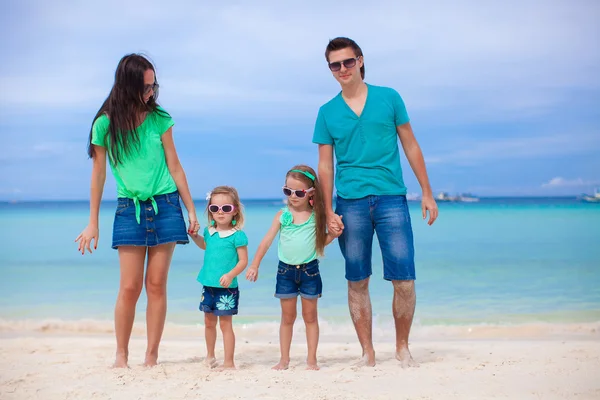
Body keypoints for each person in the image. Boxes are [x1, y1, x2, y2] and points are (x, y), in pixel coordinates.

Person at [313, 37, 439, 367]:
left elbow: (410, 145)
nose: (342, 69)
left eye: (348, 62)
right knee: (357, 280)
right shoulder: (327, 112)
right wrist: (327, 211)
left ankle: (402, 346)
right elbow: (325, 165)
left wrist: (426, 191)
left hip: (391, 198)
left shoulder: (389, 98)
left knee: (405, 279)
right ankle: (367, 352)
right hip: (349, 202)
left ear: (360, 60)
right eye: (335, 65)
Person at [74, 54, 199, 368]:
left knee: (156, 285)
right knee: (129, 287)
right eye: (145, 85)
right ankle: (121, 355)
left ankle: (151, 356)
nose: (151, 91)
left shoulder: (160, 119)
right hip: (129, 209)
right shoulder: (105, 124)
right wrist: (93, 223)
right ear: (127, 85)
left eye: (154, 84)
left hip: (167, 205)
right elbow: (98, 175)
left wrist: (191, 211)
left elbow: (175, 166)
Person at [246, 165, 341, 370]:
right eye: (287, 191)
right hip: (285, 272)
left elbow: (320, 241)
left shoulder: (317, 216)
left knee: (310, 317)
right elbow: (266, 242)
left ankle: (311, 360)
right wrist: (255, 265)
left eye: (298, 192)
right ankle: (284, 359)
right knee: (287, 318)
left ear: (311, 193)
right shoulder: (283, 215)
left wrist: (333, 235)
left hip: (310, 271)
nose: (293, 196)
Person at [189, 186, 248, 370]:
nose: (220, 212)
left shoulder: (237, 235)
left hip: (227, 288)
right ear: (210, 212)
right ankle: (210, 356)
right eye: (215, 209)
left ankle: (229, 362)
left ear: (235, 210)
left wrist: (231, 275)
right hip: (208, 285)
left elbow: (243, 261)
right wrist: (194, 236)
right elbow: (204, 246)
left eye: (226, 208)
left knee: (225, 325)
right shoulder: (209, 232)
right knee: (208, 323)